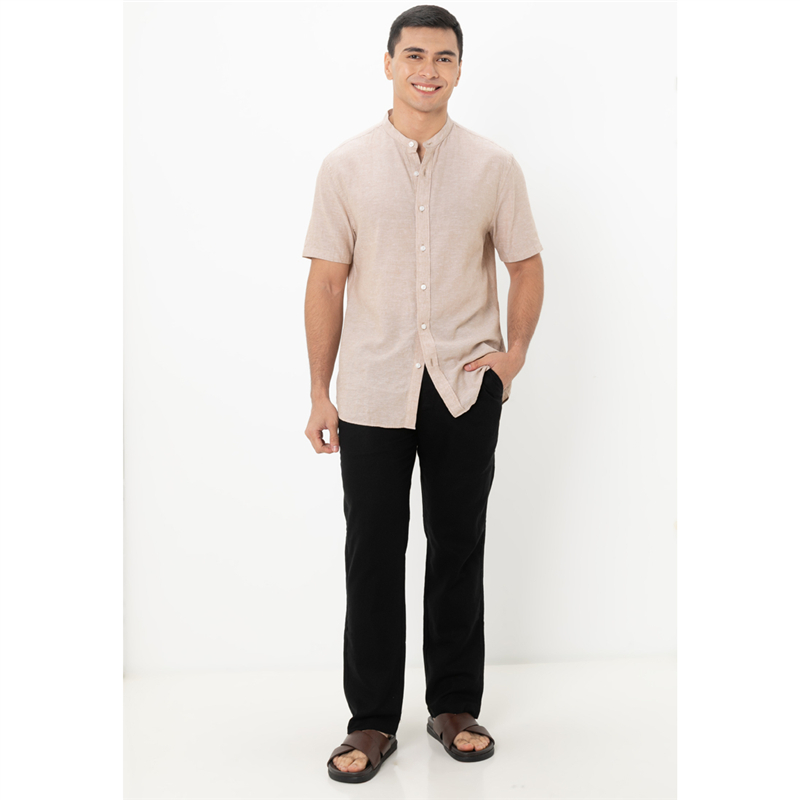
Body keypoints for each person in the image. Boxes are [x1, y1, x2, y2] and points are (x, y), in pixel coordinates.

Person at [301, 4, 545, 784]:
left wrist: (512, 358)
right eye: (413, 56)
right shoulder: (344, 167)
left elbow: (526, 265)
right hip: (373, 387)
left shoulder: (494, 166)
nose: (427, 71)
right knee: (373, 552)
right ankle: (372, 721)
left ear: (459, 69)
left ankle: (454, 708)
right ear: (388, 64)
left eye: (443, 58)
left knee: (458, 546)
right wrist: (319, 392)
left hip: (464, 387)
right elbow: (326, 282)